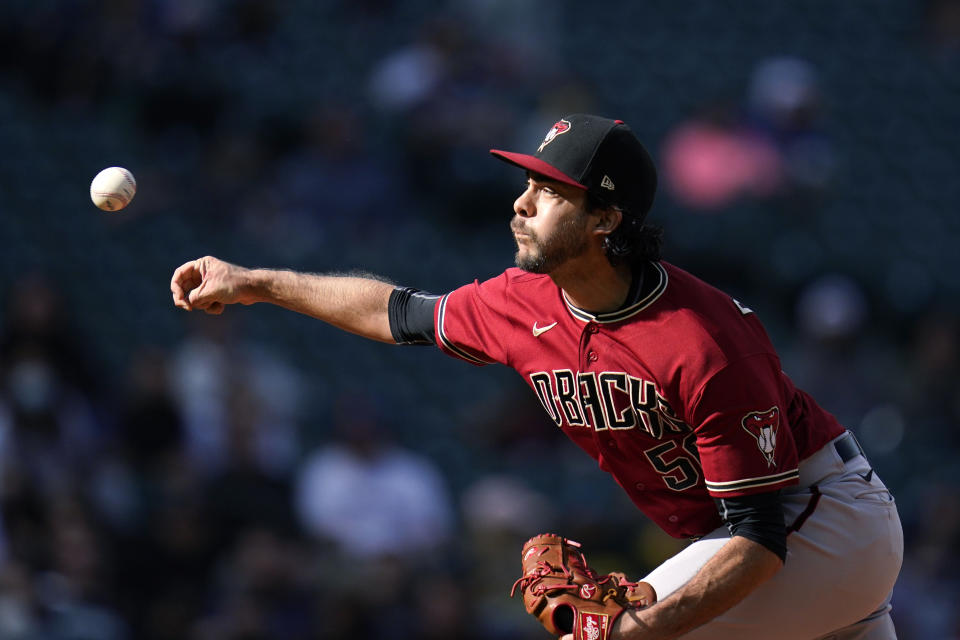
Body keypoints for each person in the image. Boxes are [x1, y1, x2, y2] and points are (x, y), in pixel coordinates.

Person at [169, 114, 903, 639]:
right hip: (757, 545)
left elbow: (759, 539)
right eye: (527, 182)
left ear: (605, 219)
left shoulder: (703, 340)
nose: (520, 201)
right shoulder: (520, 301)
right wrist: (257, 281)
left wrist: (634, 629)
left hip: (821, 522)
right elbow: (396, 313)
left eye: (549, 191)